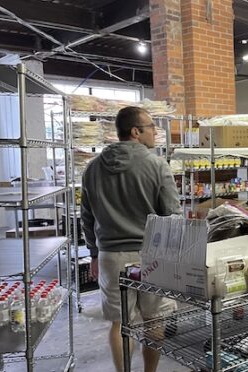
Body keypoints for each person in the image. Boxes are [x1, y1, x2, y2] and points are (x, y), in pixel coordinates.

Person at [81, 107, 180, 372]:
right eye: (151, 127)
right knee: (153, 320)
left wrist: (92, 254)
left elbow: (87, 218)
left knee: (119, 323)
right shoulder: (157, 165)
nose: (155, 132)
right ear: (136, 131)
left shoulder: (92, 168)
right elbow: (172, 215)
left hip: (111, 256)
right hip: (153, 255)